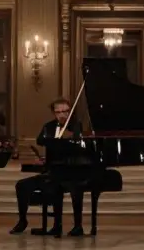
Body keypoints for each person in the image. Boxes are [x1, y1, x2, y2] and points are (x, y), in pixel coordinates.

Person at [12, 97, 95, 237]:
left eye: (65, 111)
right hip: (52, 171)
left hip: (72, 172)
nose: (62, 114)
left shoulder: (77, 126)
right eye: (58, 112)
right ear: (54, 113)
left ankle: (75, 226)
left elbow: (84, 149)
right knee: (21, 185)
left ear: (70, 111)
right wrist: (45, 158)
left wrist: (73, 139)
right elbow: (41, 140)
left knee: (58, 186)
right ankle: (22, 221)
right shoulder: (48, 127)